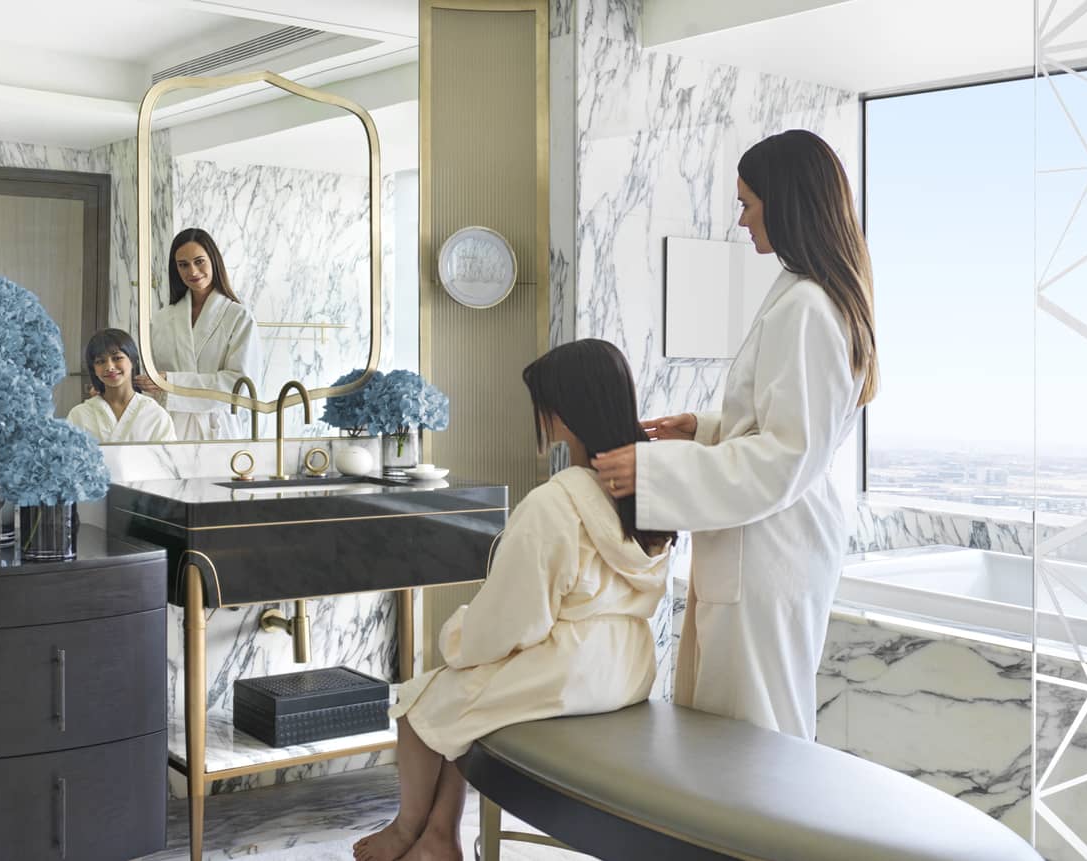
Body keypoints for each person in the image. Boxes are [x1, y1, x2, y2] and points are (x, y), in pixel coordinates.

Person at [592, 129, 878, 740]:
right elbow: (788, 429)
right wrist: (703, 430)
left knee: (754, 738)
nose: (742, 218)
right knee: (732, 731)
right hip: (764, 543)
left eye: (748, 202)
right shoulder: (803, 295)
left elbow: (788, 456)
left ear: (787, 201)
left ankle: (756, 841)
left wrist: (654, 470)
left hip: (772, 550)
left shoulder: (807, 307)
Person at [354, 339, 673, 861]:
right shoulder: (648, 488)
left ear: (561, 410)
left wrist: (458, 635)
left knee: (416, 704)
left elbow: (513, 619)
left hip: (567, 674)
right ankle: (436, 834)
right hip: (629, 668)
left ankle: (413, 829)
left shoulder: (557, 502)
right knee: (460, 696)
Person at [144, 228, 261, 440]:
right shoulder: (161, 320)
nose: (193, 271)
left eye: (199, 261)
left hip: (217, 430)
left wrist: (171, 382)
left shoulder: (238, 317)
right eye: (183, 265)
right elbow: (151, 382)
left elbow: (240, 386)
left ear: (213, 261)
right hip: (170, 428)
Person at [67, 328, 176, 443]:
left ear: (133, 361)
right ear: (93, 369)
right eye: (100, 361)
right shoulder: (79, 415)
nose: (110, 367)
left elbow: (168, 459)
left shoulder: (154, 414)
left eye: (117, 358)